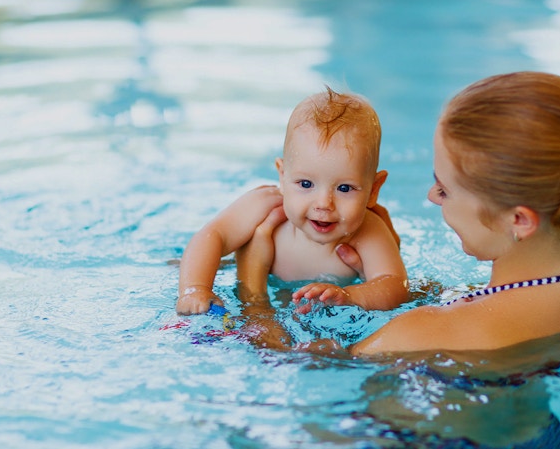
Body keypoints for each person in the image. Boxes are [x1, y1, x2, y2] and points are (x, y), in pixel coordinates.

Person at [240, 71, 560, 355]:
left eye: (446, 189)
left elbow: (290, 358)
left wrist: (255, 299)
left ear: (519, 221)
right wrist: (399, 284)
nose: (433, 198)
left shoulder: (419, 335)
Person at [175, 86, 409, 318]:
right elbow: (212, 235)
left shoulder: (369, 232)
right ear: (283, 176)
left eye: (344, 188)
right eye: (306, 184)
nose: (324, 204)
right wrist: (195, 288)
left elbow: (395, 285)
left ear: (373, 190)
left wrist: (351, 296)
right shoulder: (264, 206)